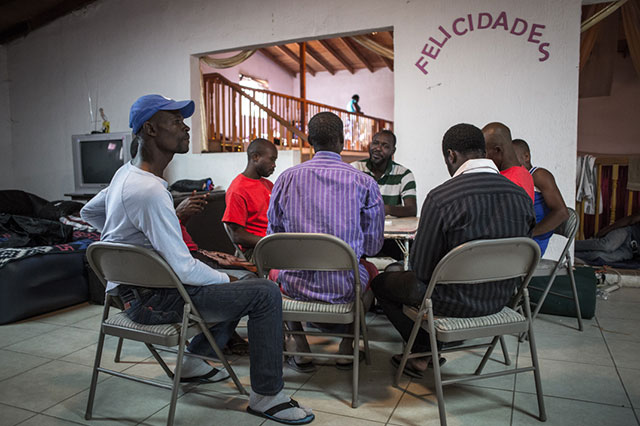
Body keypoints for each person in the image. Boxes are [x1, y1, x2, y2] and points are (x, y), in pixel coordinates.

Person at [81, 94, 314, 425]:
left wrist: (127, 243)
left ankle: (193, 361)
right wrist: (229, 278)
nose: (185, 127)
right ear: (149, 129)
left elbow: (87, 211)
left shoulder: (124, 175)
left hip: (126, 295)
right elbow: (183, 269)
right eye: (175, 121)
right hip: (153, 302)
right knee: (262, 291)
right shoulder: (150, 191)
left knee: (232, 280)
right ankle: (267, 396)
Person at [371, 123, 535, 378]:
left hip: (450, 304)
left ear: (451, 155)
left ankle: (422, 349)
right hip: (502, 300)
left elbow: (422, 269)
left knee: (382, 282)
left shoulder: (442, 197)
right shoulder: (522, 197)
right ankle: (423, 351)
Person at [268, 111, 384, 371]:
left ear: (310, 140)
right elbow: (374, 247)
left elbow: (273, 240)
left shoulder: (285, 179)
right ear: (341, 141)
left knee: (274, 271)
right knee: (373, 272)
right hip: (346, 288)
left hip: (294, 287)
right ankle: (346, 348)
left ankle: (300, 345)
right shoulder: (364, 182)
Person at [223, 138, 278, 261]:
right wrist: (271, 242)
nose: (274, 165)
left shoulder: (268, 185)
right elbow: (237, 235)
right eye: (272, 159)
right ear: (255, 157)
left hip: (273, 243)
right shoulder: (238, 189)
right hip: (255, 250)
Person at [512, 138, 569, 255]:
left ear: (526, 157)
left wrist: (529, 233)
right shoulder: (514, 177)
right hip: (520, 239)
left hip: (533, 241)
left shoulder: (538, 175)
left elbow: (562, 213)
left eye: (512, 158)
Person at [352, 130, 417, 217]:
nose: (378, 148)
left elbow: (412, 210)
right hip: (360, 227)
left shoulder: (404, 174)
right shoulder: (355, 169)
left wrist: (387, 209)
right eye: (375, 143)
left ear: (392, 151)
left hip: (392, 228)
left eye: (385, 146)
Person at [483, 122, 535, 202]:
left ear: (497, 150)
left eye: (485, 152)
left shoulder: (511, 183)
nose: (484, 157)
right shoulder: (523, 172)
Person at [575, 213, 640, 263]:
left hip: (630, 251)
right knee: (606, 245)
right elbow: (631, 220)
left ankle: (569, 255)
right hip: (628, 233)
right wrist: (606, 229)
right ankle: (570, 245)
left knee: (598, 256)